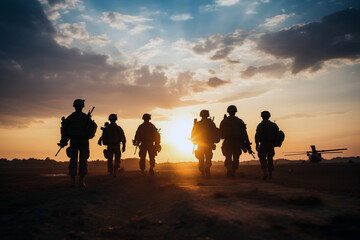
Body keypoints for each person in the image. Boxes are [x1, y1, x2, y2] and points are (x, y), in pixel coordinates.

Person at [59, 99, 97, 187]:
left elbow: (64, 130)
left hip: (74, 141)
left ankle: (72, 181)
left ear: (74, 106)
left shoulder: (70, 117)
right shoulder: (86, 117)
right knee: (83, 161)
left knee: (73, 160)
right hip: (84, 141)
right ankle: (81, 181)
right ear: (82, 106)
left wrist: (63, 141)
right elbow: (93, 126)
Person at [220, 105, 253, 177]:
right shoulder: (240, 121)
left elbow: (221, 135)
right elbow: (244, 134)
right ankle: (233, 171)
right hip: (237, 142)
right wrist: (247, 145)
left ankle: (229, 170)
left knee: (228, 157)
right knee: (236, 157)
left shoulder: (224, 121)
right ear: (235, 112)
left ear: (228, 112)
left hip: (227, 142)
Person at [191, 110, 220, 178]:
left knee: (201, 159)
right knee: (208, 158)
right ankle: (207, 168)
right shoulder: (211, 123)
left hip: (200, 144)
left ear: (201, 115)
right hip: (208, 144)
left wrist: (194, 142)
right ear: (207, 115)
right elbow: (215, 133)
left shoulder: (197, 124)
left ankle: (202, 172)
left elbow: (193, 134)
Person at [255, 111, 279, 180]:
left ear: (262, 117)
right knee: (270, 159)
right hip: (271, 145)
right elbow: (278, 134)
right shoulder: (273, 125)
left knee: (262, 158)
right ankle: (270, 174)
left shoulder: (260, 125)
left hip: (263, 144)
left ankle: (265, 173)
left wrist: (257, 144)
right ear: (269, 116)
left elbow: (257, 135)